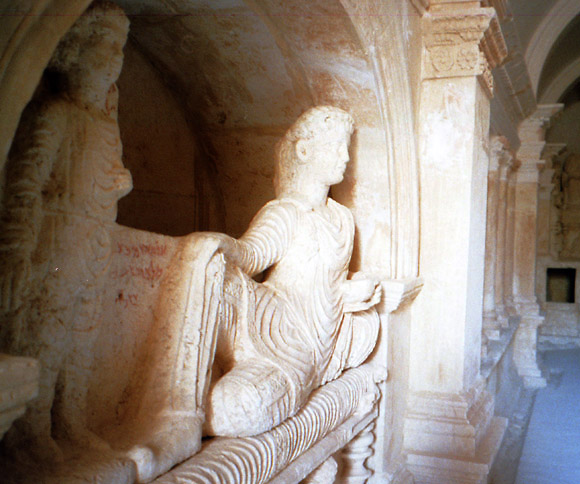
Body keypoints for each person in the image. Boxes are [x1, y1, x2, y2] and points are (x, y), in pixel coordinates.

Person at [126, 106, 381, 482]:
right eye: (336, 146)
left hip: (301, 349)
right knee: (211, 264)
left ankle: (195, 396)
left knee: (239, 407)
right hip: (267, 318)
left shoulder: (343, 220)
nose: (345, 156)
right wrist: (217, 246)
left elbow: (323, 285)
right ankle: (177, 413)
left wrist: (347, 293)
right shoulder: (284, 212)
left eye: (347, 147)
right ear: (305, 151)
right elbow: (249, 255)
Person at [0, 0, 132, 463]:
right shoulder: (55, 113)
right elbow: (24, 185)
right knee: (47, 330)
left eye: (120, 48)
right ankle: (31, 430)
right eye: (105, 44)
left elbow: (109, 173)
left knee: (83, 333)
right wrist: (15, 249)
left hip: (95, 238)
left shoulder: (103, 124)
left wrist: (118, 181)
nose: (114, 58)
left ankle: (70, 418)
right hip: (58, 238)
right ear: (73, 50)